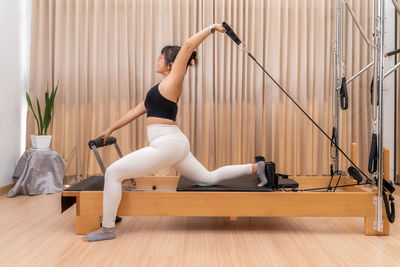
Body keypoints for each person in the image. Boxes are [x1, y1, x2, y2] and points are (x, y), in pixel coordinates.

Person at [83, 23, 269, 242]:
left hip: (166, 145)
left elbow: (188, 45)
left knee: (113, 174)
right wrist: (110, 129)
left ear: (171, 64)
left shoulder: (173, 81)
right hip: (175, 144)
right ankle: (255, 167)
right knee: (207, 178)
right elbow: (137, 110)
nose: (158, 60)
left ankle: (107, 228)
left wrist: (213, 28)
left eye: (161, 57)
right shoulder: (158, 89)